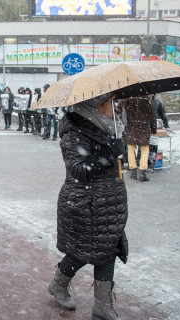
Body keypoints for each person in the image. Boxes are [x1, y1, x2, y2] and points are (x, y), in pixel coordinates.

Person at [48, 96, 127, 320]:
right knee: (84, 252)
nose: (116, 106)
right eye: (111, 102)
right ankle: (60, 286)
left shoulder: (108, 128)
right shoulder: (75, 130)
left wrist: (113, 150)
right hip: (84, 204)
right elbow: (78, 169)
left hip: (107, 203)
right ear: (97, 105)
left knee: (108, 250)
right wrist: (109, 154)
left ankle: (100, 305)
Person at [123, 96, 157, 181]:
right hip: (143, 128)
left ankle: (133, 172)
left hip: (131, 128)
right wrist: (153, 129)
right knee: (145, 150)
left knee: (130, 149)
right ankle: (142, 173)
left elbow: (118, 109)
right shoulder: (147, 98)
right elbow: (152, 114)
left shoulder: (128, 97)